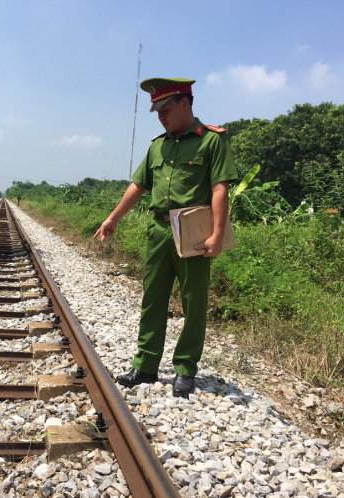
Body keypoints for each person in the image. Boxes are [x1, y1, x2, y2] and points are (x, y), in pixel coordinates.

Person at [93, 77, 237, 397]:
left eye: (166, 108)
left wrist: (215, 234)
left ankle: (185, 369)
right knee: (153, 299)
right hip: (159, 230)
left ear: (186, 103)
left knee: (193, 302)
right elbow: (139, 185)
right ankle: (145, 366)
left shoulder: (211, 141)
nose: (161, 115)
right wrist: (113, 218)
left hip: (193, 232)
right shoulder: (157, 144)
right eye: (157, 110)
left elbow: (220, 188)